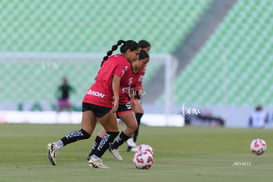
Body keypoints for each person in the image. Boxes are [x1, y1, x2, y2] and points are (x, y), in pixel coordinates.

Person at [47, 40, 140, 168]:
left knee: (85, 132)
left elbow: (97, 78)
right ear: (129, 51)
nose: (137, 57)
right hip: (102, 99)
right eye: (136, 53)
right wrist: (117, 99)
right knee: (112, 131)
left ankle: (56, 145)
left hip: (90, 95)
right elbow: (116, 79)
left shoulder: (111, 59)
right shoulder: (124, 63)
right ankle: (95, 158)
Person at [86, 50, 150, 161]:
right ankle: (93, 153)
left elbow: (131, 86)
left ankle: (114, 146)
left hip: (124, 101)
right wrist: (114, 98)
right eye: (144, 62)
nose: (145, 66)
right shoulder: (126, 68)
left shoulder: (139, 72)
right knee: (109, 128)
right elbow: (114, 80)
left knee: (133, 125)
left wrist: (131, 99)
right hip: (113, 100)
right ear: (137, 60)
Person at [126, 40, 152, 152]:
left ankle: (130, 142)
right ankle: (128, 141)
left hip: (136, 91)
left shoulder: (142, 64)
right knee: (137, 114)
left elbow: (138, 80)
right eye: (147, 50)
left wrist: (141, 88)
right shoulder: (135, 63)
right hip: (130, 91)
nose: (148, 52)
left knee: (137, 115)